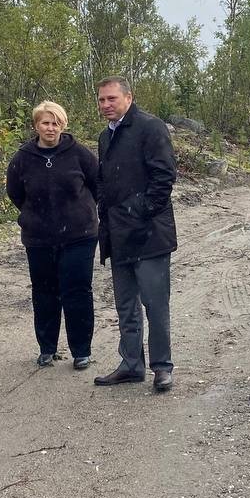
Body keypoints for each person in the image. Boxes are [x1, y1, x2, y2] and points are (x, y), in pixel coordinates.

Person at [92, 76, 178, 391]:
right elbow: (102, 179)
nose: (105, 105)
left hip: (149, 235)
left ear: (128, 97)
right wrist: (105, 207)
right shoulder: (106, 137)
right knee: (125, 305)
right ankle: (131, 364)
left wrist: (136, 210)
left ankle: (162, 368)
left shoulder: (150, 128)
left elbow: (164, 177)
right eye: (101, 100)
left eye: (111, 99)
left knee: (155, 305)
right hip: (118, 234)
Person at [6, 100, 100, 369]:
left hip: (79, 235)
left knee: (78, 292)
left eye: (56, 122)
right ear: (36, 125)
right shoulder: (22, 157)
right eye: (46, 122)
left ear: (63, 125)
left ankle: (81, 350)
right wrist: (34, 215)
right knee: (44, 292)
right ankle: (47, 347)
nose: (51, 128)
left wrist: (81, 212)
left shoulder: (79, 154)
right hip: (39, 238)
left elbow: (96, 185)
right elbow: (15, 193)